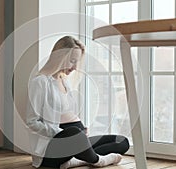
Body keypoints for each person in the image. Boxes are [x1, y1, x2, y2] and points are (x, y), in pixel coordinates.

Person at [26, 36, 129, 169]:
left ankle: (80, 159)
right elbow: (32, 122)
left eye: (77, 62)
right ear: (60, 57)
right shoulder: (40, 82)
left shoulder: (63, 80)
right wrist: (61, 133)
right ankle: (98, 160)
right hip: (50, 150)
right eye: (72, 61)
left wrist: (83, 129)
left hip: (75, 142)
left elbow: (66, 113)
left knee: (122, 142)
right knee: (74, 133)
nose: (75, 67)